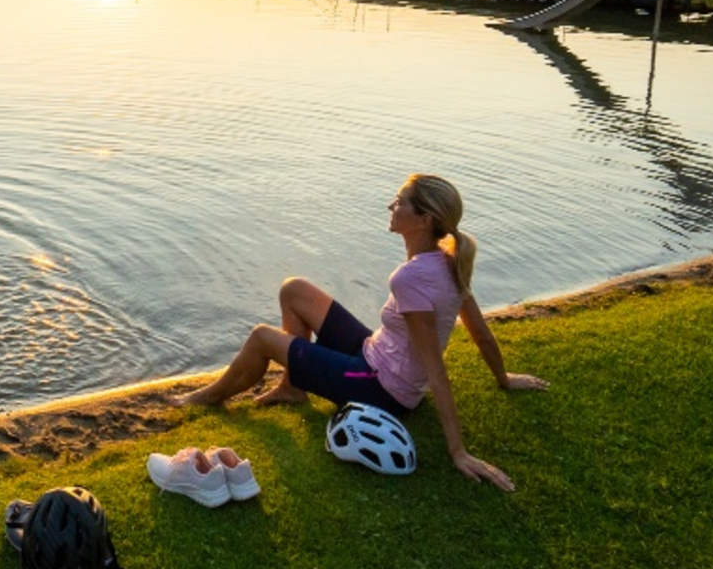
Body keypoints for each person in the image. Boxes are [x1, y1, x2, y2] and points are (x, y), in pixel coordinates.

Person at [175, 174, 548, 490]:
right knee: (294, 289)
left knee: (262, 337)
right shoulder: (448, 262)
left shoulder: (411, 278)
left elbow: (436, 368)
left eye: (400, 202)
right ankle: (293, 387)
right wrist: (503, 378)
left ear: (423, 219)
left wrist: (458, 451)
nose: (391, 205)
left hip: (380, 387)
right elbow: (481, 333)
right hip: (373, 354)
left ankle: (204, 400)